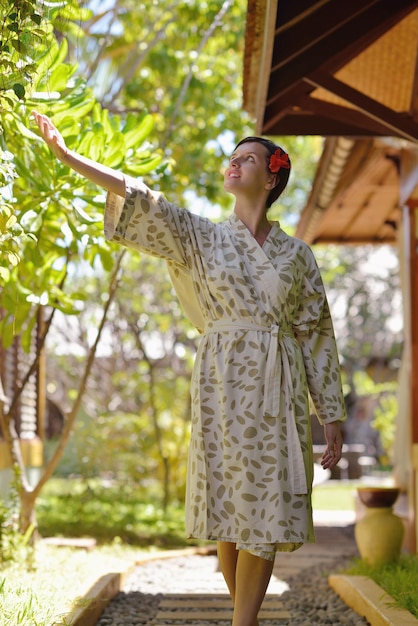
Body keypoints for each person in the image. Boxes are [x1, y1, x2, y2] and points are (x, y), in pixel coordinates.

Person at [32, 111, 345, 626]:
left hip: (278, 385)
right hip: (222, 384)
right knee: (230, 513)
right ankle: (245, 615)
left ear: (272, 177)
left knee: (264, 511)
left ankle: (243, 623)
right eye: (233, 156)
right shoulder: (200, 237)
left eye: (248, 158)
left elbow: (317, 335)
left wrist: (328, 412)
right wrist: (67, 158)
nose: (234, 163)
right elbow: (140, 197)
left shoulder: (298, 257)